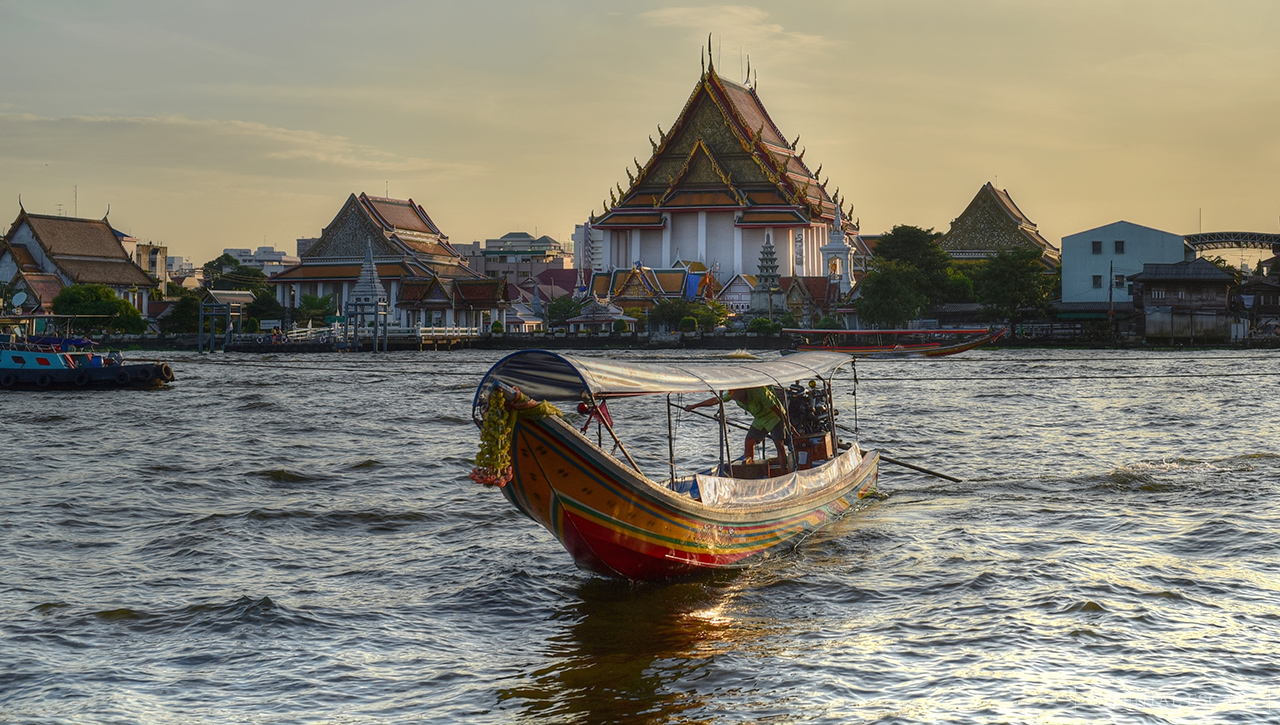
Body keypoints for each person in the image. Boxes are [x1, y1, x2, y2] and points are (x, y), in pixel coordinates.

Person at [685, 387, 790, 466]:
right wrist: (694, 406)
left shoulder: (759, 391)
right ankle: (750, 471)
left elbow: (776, 408)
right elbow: (715, 400)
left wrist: (788, 425)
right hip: (760, 418)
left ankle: (784, 471)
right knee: (749, 441)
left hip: (774, 415)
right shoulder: (731, 393)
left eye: (743, 399)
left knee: (779, 443)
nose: (742, 402)